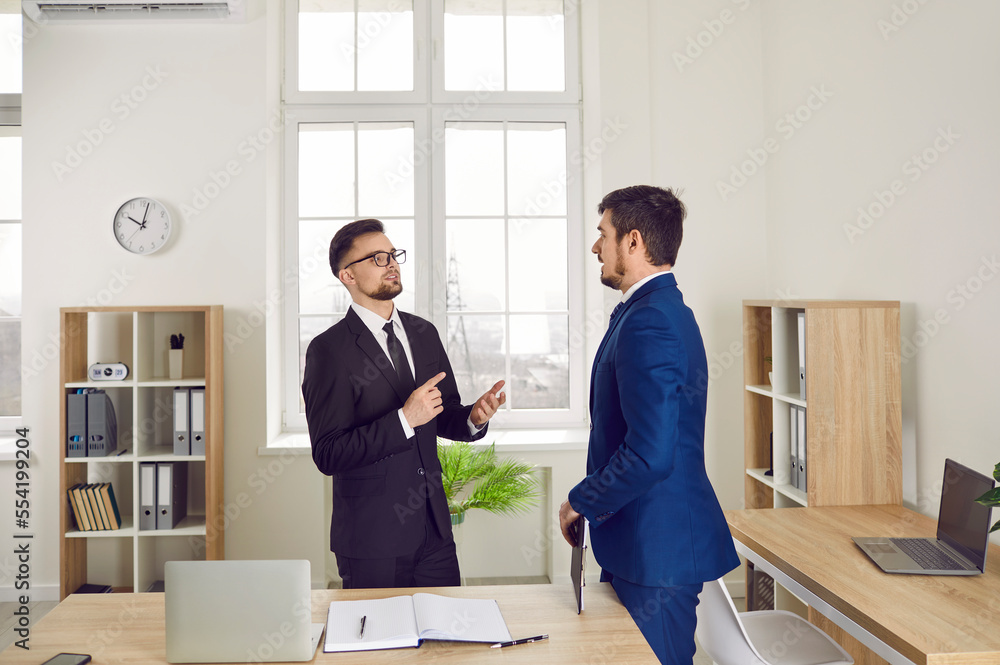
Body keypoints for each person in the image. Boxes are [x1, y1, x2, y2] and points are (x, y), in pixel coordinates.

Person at [558, 185, 739, 664]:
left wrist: (581, 500)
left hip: (656, 551)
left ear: (633, 242)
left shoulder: (651, 320)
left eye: (603, 235)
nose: (596, 247)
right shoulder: (653, 310)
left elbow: (649, 453)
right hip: (639, 545)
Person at [303, 218, 505, 589]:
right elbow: (328, 454)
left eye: (393, 254)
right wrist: (403, 420)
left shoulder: (423, 332)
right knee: (379, 644)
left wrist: (474, 418)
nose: (392, 263)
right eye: (377, 258)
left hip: (435, 532)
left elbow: (443, 415)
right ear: (347, 276)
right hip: (372, 538)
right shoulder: (328, 350)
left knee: (446, 639)